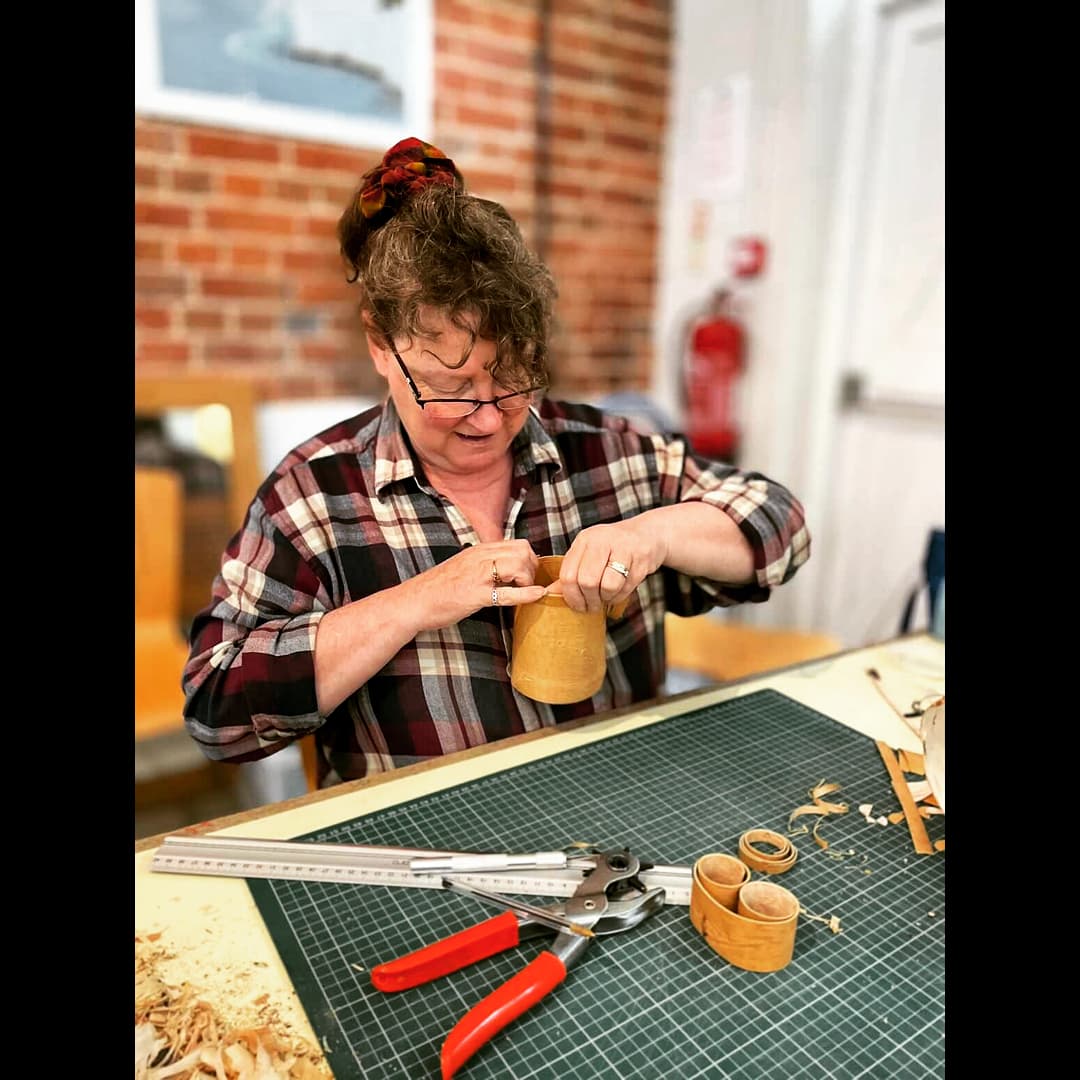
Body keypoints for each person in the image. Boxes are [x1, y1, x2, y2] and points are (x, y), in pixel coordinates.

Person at [182, 136, 811, 788]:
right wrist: (417, 602)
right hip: (429, 845)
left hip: (621, 816)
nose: (487, 417)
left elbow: (783, 529)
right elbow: (217, 714)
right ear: (378, 343)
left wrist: (651, 534)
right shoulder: (314, 499)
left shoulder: (607, 452)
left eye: (512, 376)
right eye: (450, 390)